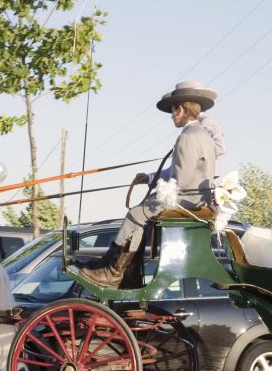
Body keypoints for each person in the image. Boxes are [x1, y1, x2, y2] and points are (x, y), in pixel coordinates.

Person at [75, 80, 220, 288]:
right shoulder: (204, 136)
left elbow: (182, 180)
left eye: (172, 111)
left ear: (180, 109)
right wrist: (151, 178)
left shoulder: (187, 138)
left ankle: (113, 271)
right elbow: (183, 171)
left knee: (136, 214)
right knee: (142, 212)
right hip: (197, 197)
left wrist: (160, 192)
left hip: (187, 199)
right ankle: (122, 270)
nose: (171, 115)